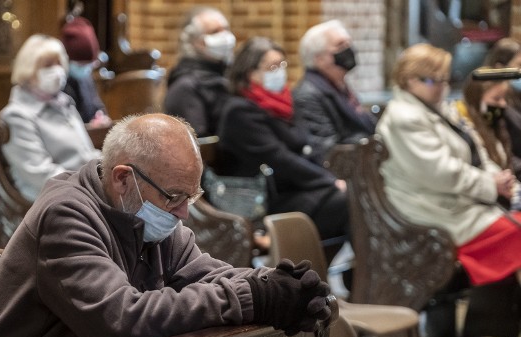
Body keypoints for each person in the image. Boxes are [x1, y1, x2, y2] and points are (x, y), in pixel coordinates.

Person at [0, 113, 332, 337]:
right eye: (174, 196)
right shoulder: (66, 214)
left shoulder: (148, 217)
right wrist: (251, 298)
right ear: (122, 179)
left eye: (191, 196)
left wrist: (278, 285)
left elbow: (210, 274)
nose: (182, 213)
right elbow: (120, 318)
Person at [376, 43, 521, 288]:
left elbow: (478, 154)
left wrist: (503, 182)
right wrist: (490, 185)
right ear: (408, 80)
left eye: (445, 80)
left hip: (457, 203)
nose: (442, 88)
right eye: (433, 81)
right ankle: (490, 318)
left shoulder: (439, 109)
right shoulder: (404, 118)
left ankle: (496, 316)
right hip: (433, 212)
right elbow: (440, 173)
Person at [217, 36, 348, 241]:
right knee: (348, 201)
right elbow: (279, 158)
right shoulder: (239, 111)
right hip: (268, 201)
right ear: (250, 73)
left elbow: (308, 145)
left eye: (281, 65)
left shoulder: (285, 103)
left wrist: (329, 177)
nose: (279, 72)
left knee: (356, 196)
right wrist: (329, 181)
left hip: (297, 189)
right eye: (272, 67)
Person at [0, 34, 102, 202]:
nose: (57, 71)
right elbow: (40, 174)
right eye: (48, 65)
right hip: (52, 200)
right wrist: (91, 187)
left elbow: (87, 154)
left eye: (59, 64)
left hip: (83, 191)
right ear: (29, 70)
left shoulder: (64, 103)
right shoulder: (17, 115)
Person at [293, 20, 377, 166]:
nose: (349, 49)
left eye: (348, 44)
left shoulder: (338, 85)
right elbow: (327, 149)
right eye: (340, 45)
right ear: (319, 58)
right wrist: (366, 142)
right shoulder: (308, 94)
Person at [163, 6, 235, 137]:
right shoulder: (185, 87)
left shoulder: (228, 75)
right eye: (214, 32)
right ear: (195, 41)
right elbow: (199, 144)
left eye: (225, 29)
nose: (224, 37)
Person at [459, 72, 521, 180]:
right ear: (476, 100)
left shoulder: (497, 123)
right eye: (496, 99)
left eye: (504, 98)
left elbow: (510, 160)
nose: (503, 104)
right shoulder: (465, 131)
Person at [60, 16, 112, 127]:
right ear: (67, 60)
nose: (85, 69)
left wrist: (101, 115)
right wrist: (89, 127)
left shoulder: (86, 77)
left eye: (89, 64)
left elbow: (96, 105)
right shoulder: (60, 83)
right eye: (81, 64)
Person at [482, 37, 521, 172]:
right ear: (500, 67)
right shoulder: (490, 100)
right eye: (519, 65)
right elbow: (497, 145)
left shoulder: (516, 95)